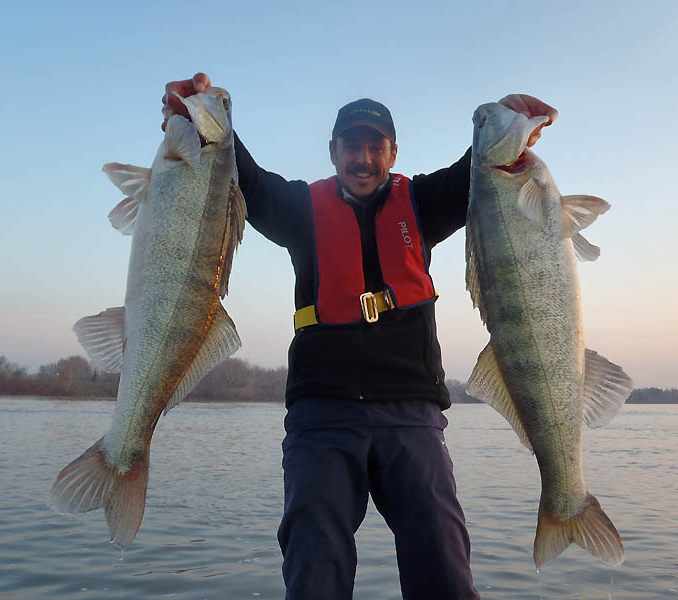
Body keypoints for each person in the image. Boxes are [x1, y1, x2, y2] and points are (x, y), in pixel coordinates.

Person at [163, 73, 557, 600]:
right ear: (333, 152)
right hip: (321, 417)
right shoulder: (300, 209)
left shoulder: (423, 202)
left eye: (376, 147)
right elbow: (242, 174)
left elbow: (483, 168)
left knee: (441, 558)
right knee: (314, 559)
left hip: (412, 414)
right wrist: (195, 119)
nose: (364, 159)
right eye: (352, 146)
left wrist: (511, 124)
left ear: (394, 152)